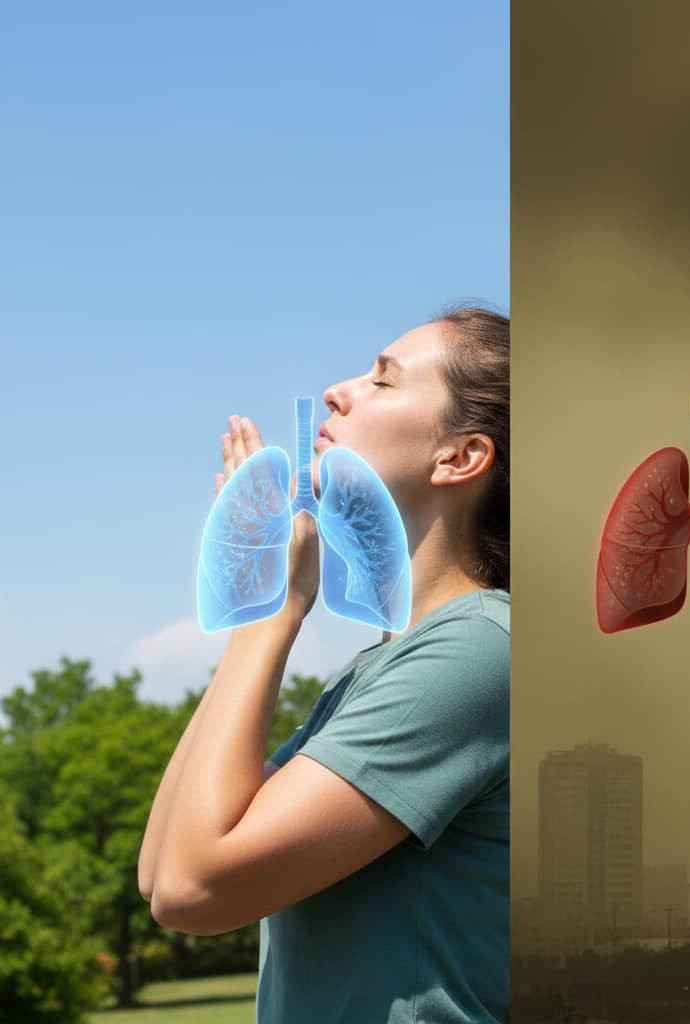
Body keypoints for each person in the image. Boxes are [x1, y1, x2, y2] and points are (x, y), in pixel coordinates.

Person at [137, 304, 509, 1024]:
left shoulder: (478, 651)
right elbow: (161, 872)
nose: (339, 390)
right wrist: (257, 609)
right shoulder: (386, 665)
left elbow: (194, 887)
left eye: (383, 380)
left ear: (460, 457)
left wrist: (271, 619)